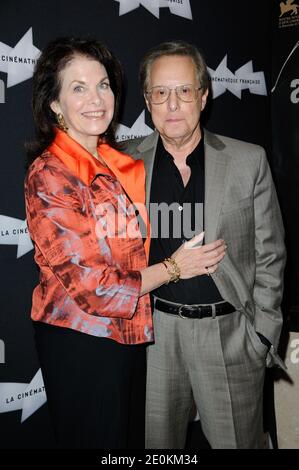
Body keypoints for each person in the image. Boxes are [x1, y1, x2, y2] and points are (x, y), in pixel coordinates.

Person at [24, 37, 226, 449]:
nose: (96, 99)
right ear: (55, 105)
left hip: (128, 338)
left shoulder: (117, 164)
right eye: (77, 88)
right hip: (83, 343)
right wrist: (175, 268)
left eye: (103, 85)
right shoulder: (51, 175)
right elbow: (95, 288)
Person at [123, 40, 286, 449]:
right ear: (147, 100)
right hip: (154, 339)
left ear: (204, 95)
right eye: (161, 93)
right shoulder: (123, 163)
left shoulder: (248, 160)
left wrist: (261, 335)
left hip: (230, 336)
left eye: (184, 91)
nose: (172, 104)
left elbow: (271, 254)